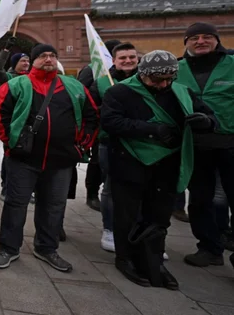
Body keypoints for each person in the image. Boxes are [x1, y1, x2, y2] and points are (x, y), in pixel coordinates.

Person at [101, 50, 217, 289]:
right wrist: (151, 129)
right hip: (130, 163)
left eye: (168, 79)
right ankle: (125, 258)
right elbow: (111, 122)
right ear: (143, 74)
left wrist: (206, 122)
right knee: (128, 215)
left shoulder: (180, 91)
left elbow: (207, 114)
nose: (163, 84)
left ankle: (152, 260)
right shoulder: (120, 91)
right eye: (156, 80)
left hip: (168, 164)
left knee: (160, 215)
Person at [0, 44, 98, 273]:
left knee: (53, 207)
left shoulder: (73, 86)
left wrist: (83, 144)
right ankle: (9, 248)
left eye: (52, 55)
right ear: (33, 60)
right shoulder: (16, 84)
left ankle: (47, 248)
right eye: (42, 56)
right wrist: (11, 143)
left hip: (61, 162)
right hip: (23, 160)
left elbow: (91, 115)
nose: (48, 59)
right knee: (15, 204)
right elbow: (0, 115)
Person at [175, 23, 234, 269]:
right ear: (186, 42)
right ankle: (209, 248)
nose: (200, 41)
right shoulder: (178, 68)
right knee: (200, 199)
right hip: (195, 145)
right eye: (194, 37)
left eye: (207, 37)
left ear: (216, 40)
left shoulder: (231, 64)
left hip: (230, 143)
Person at [88, 42, 139, 253]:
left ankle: (140, 232)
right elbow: (90, 110)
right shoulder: (102, 82)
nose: (127, 61)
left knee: (140, 189)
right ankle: (109, 228)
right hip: (109, 142)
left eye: (131, 57)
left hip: (141, 142)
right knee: (110, 187)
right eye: (123, 58)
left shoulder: (148, 80)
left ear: (138, 59)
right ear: (114, 60)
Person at [79, 39, 122, 212]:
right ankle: (92, 194)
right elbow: (82, 94)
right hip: (99, 126)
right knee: (97, 161)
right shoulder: (92, 70)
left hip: (121, 128)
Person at [0, 37, 31, 202]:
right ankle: (6, 187)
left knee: (29, 160)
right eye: (22, 61)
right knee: (10, 157)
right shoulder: (8, 78)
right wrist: (6, 51)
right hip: (14, 125)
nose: (26, 63)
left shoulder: (32, 79)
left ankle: (26, 190)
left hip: (30, 124)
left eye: (28, 61)